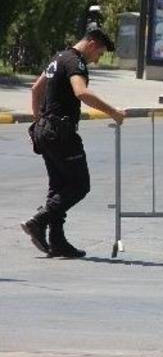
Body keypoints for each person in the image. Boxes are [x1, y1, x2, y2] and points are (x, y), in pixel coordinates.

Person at [21, 24, 125, 258]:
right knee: (79, 185)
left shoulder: (58, 57)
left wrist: (39, 123)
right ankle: (39, 220)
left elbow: (36, 89)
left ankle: (57, 241)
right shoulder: (75, 62)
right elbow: (82, 92)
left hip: (47, 131)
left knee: (59, 187)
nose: (97, 60)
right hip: (61, 132)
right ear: (92, 44)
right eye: (99, 54)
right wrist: (113, 112)